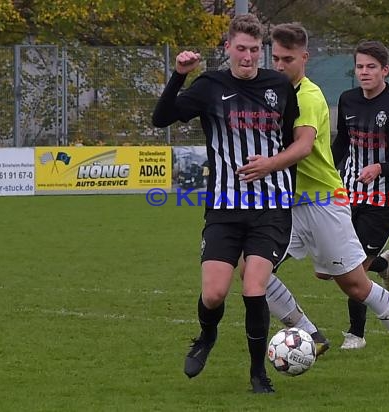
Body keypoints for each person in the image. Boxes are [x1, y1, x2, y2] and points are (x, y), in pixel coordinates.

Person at [237, 23, 389, 384]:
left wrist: (266, 164)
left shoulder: (310, 97)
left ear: (304, 58)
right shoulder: (275, 91)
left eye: (287, 59)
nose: (279, 65)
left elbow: (300, 147)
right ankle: (311, 336)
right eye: (276, 58)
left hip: (324, 204)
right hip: (290, 204)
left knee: (355, 286)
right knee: (253, 272)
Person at [151, 14, 309, 394]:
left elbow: (288, 138)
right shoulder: (210, 85)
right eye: (241, 49)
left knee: (254, 286)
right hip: (223, 207)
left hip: (271, 206)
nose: (249, 57)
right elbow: (161, 119)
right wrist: (179, 75)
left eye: (255, 50)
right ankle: (206, 337)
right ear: (228, 48)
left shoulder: (278, 86)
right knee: (214, 293)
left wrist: (270, 164)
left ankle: (258, 374)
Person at [332, 40, 389, 350]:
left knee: (352, 268)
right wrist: (328, 171)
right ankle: (383, 265)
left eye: (371, 67)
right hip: (348, 192)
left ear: (385, 70)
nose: (364, 72)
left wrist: (380, 168)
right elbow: (342, 144)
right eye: (359, 66)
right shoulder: (347, 100)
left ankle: (356, 334)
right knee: (336, 264)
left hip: (384, 199)